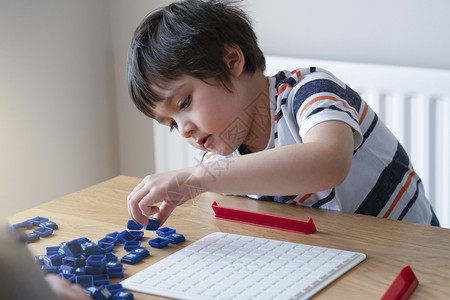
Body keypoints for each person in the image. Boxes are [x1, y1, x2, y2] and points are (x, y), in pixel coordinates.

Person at [126, 0, 439, 227]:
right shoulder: (221, 162)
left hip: (412, 248)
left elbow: (328, 162)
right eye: (171, 125)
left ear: (231, 60)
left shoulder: (310, 90)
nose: (184, 130)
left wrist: (198, 177)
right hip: (346, 255)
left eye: (184, 104)